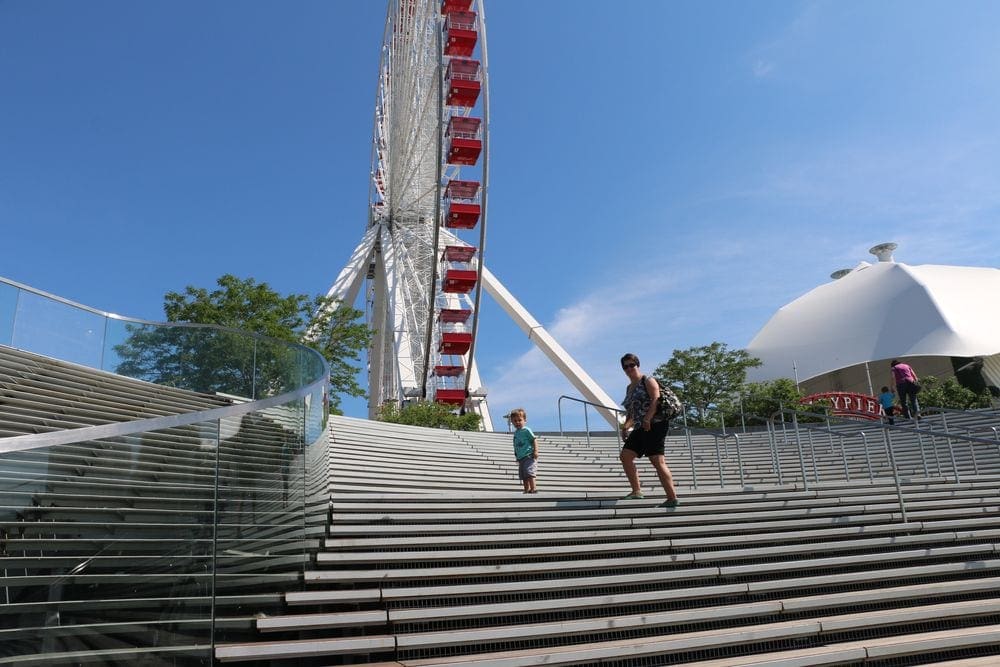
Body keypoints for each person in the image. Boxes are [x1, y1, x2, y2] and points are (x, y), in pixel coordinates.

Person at [618, 353, 680, 508]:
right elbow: (632, 412)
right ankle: (636, 491)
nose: (629, 368)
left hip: (656, 424)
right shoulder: (629, 388)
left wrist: (648, 418)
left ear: (637, 365)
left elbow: (656, 398)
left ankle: (672, 498)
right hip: (640, 427)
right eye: (626, 366)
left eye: (632, 365)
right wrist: (625, 427)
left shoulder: (648, 380)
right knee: (625, 456)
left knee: (657, 460)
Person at [510, 408, 538, 493]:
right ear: (512, 422)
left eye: (520, 420)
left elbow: (534, 439)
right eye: (515, 421)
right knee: (523, 475)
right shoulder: (516, 433)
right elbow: (515, 445)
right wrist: (516, 456)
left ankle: (533, 488)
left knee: (529, 472)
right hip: (521, 458)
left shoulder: (526, 430)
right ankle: (526, 489)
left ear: (524, 420)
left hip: (529, 455)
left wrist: (536, 451)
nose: (517, 422)